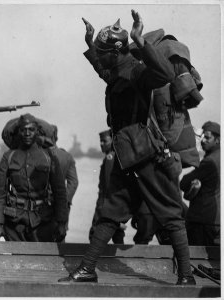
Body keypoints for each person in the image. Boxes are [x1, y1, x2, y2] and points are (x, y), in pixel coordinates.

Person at [59, 11, 195, 285]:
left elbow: (166, 73)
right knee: (111, 212)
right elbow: (105, 72)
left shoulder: (137, 70)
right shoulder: (119, 70)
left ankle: (187, 276)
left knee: (170, 213)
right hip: (128, 157)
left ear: (118, 50)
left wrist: (139, 40)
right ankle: (88, 269)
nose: (101, 57)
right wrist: (89, 44)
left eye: (102, 51)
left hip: (146, 154)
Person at [0, 114, 68, 242]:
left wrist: (62, 223)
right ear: (19, 132)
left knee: (43, 260)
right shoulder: (9, 156)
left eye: (31, 130)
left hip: (42, 223)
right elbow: (0, 193)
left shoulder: (48, 156)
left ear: (37, 131)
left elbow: (60, 191)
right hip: (15, 224)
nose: (27, 133)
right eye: (23, 130)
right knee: (14, 261)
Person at [180, 121, 220, 246]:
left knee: (196, 260)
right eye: (202, 137)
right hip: (215, 220)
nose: (203, 140)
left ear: (218, 140)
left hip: (201, 220)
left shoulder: (210, 161)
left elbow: (184, 182)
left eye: (207, 137)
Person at [88, 129, 125, 244]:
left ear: (113, 141)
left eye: (104, 141)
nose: (101, 144)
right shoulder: (117, 157)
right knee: (117, 236)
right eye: (100, 141)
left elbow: (108, 187)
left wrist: (101, 209)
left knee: (94, 235)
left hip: (105, 205)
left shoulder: (110, 159)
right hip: (115, 206)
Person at [51, 125, 79, 238]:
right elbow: (73, 182)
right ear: (56, 137)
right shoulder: (66, 156)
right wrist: (63, 202)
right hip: (61, 209)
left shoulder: (39, 155)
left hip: (41, 209)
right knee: (60, 241)